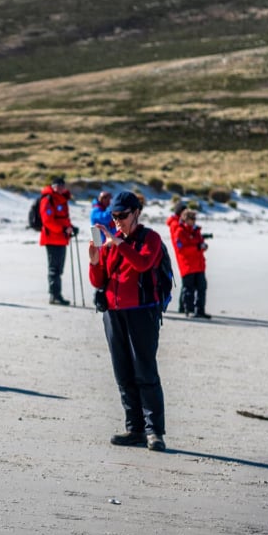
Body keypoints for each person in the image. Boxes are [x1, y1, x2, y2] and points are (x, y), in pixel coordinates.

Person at [88, 191, 169, 452]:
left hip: (142, 312)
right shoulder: (114, 241)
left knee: (145, 371)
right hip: (113, 312)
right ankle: (134, 428)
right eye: (114, 216)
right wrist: (94, 261)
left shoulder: (150, 238)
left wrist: (117, 242)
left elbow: (143, 263)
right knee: (123, 372)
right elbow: (99, 281)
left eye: (122, 215)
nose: (118, 220)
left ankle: (154, 431)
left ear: (136, 213)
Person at [39, 176, 77, 305]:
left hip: (61, 239)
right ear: (53, 186)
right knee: (54, 269)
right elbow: (47, 221)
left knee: (58, 269)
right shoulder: (48, 199)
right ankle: (54, 295)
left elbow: (64, 218)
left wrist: (71, 228)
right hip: (52, 238)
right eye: (58, 185)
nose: (60, 188)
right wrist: (63, 229)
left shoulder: (62, 199)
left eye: (62, 185)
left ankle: (56, 294)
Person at [172, 209, 211, 319]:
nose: (194, 221)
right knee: (188, 289)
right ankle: (188, 310)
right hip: (188, 266)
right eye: (192, 219)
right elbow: (181, 249)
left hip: (199, 265)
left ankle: (200, 310)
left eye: (195, 218)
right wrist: (197, 247)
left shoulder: (196, 231)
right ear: (185, 219)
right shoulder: (179, 232)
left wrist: (203, 246)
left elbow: (199, 244)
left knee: (202, 288)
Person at [166, 201, 188, 313]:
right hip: (183, 256)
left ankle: (183, 306)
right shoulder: (176, 224)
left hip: (184, 255)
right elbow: (179, 239)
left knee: (187, 282)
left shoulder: (177, 223)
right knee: (187, 282)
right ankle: (183, 306)